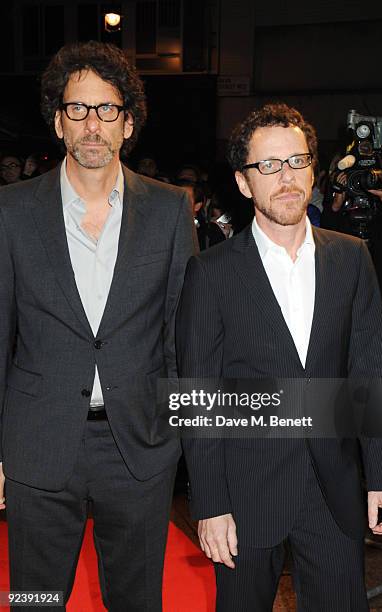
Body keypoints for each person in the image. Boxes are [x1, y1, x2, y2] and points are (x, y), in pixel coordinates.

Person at [176, 103, 382, 612]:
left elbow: (372, 370)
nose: (286, 178)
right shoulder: (210, 273)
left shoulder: (350, 257)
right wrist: (210, 504)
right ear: (242, 181)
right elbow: (199, 395)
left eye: (297, 162)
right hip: (245, 491)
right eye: (268, 166)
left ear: (313, 169)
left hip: (334, 488)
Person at [0, 41, 195, 611]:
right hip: (38, 444)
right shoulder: (11, 212)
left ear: (127, 123)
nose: (93, 124)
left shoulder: (168, 208)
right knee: (36, 601)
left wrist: (180, 435)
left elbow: (179, 335)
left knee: (136, 601)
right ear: (59, 123)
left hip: (138, 447)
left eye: (107, 110)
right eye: (78, 110)